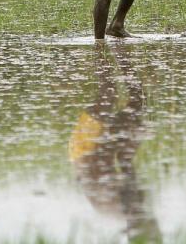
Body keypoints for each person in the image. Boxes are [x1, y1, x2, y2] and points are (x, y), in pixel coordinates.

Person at [68, 47, 160, 241]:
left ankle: (106, 50)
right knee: (132, 99)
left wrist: (130, 136)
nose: (155, 221)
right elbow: (125, 162)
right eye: (156, 226)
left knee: (114, 94)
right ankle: (111, 49)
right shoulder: (130, 212)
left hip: (86, 150)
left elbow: (122, 161)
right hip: (93, 149)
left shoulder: (126, 211)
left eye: (154, 227)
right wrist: (133, 134)